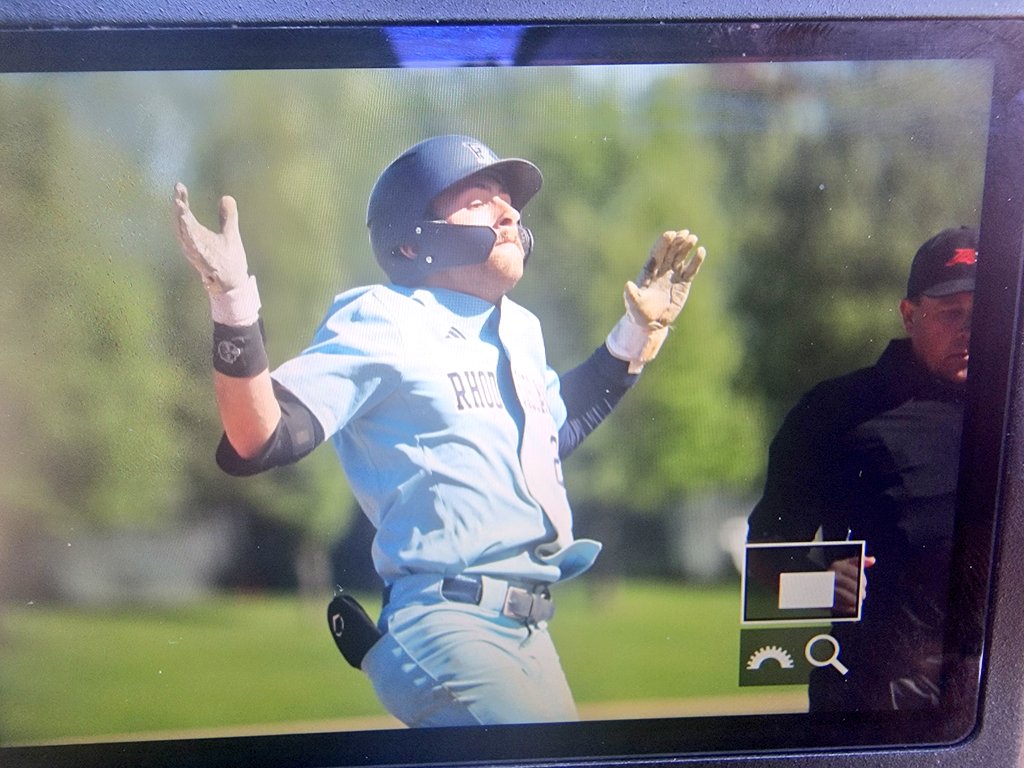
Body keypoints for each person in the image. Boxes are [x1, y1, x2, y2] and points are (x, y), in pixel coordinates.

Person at [173, 134, 705, 727]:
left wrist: (636, 334)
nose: (509, 212)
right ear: (412, 241)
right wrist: (233, 301)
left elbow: (550, 435)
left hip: (530, 632)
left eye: (509, 201)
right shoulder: (384, 315)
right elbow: (259, 434)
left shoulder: (521, 329)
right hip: (450, 624)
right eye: (479, 200)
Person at [746, 226, 977, 712]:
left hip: (1004, 700)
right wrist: (824, 586)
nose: (969, 330)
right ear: (909, 314)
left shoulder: (1010, 413)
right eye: (950, 312)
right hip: (883, 707)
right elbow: (763, 563)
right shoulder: (837, 412)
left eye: (983, 314)